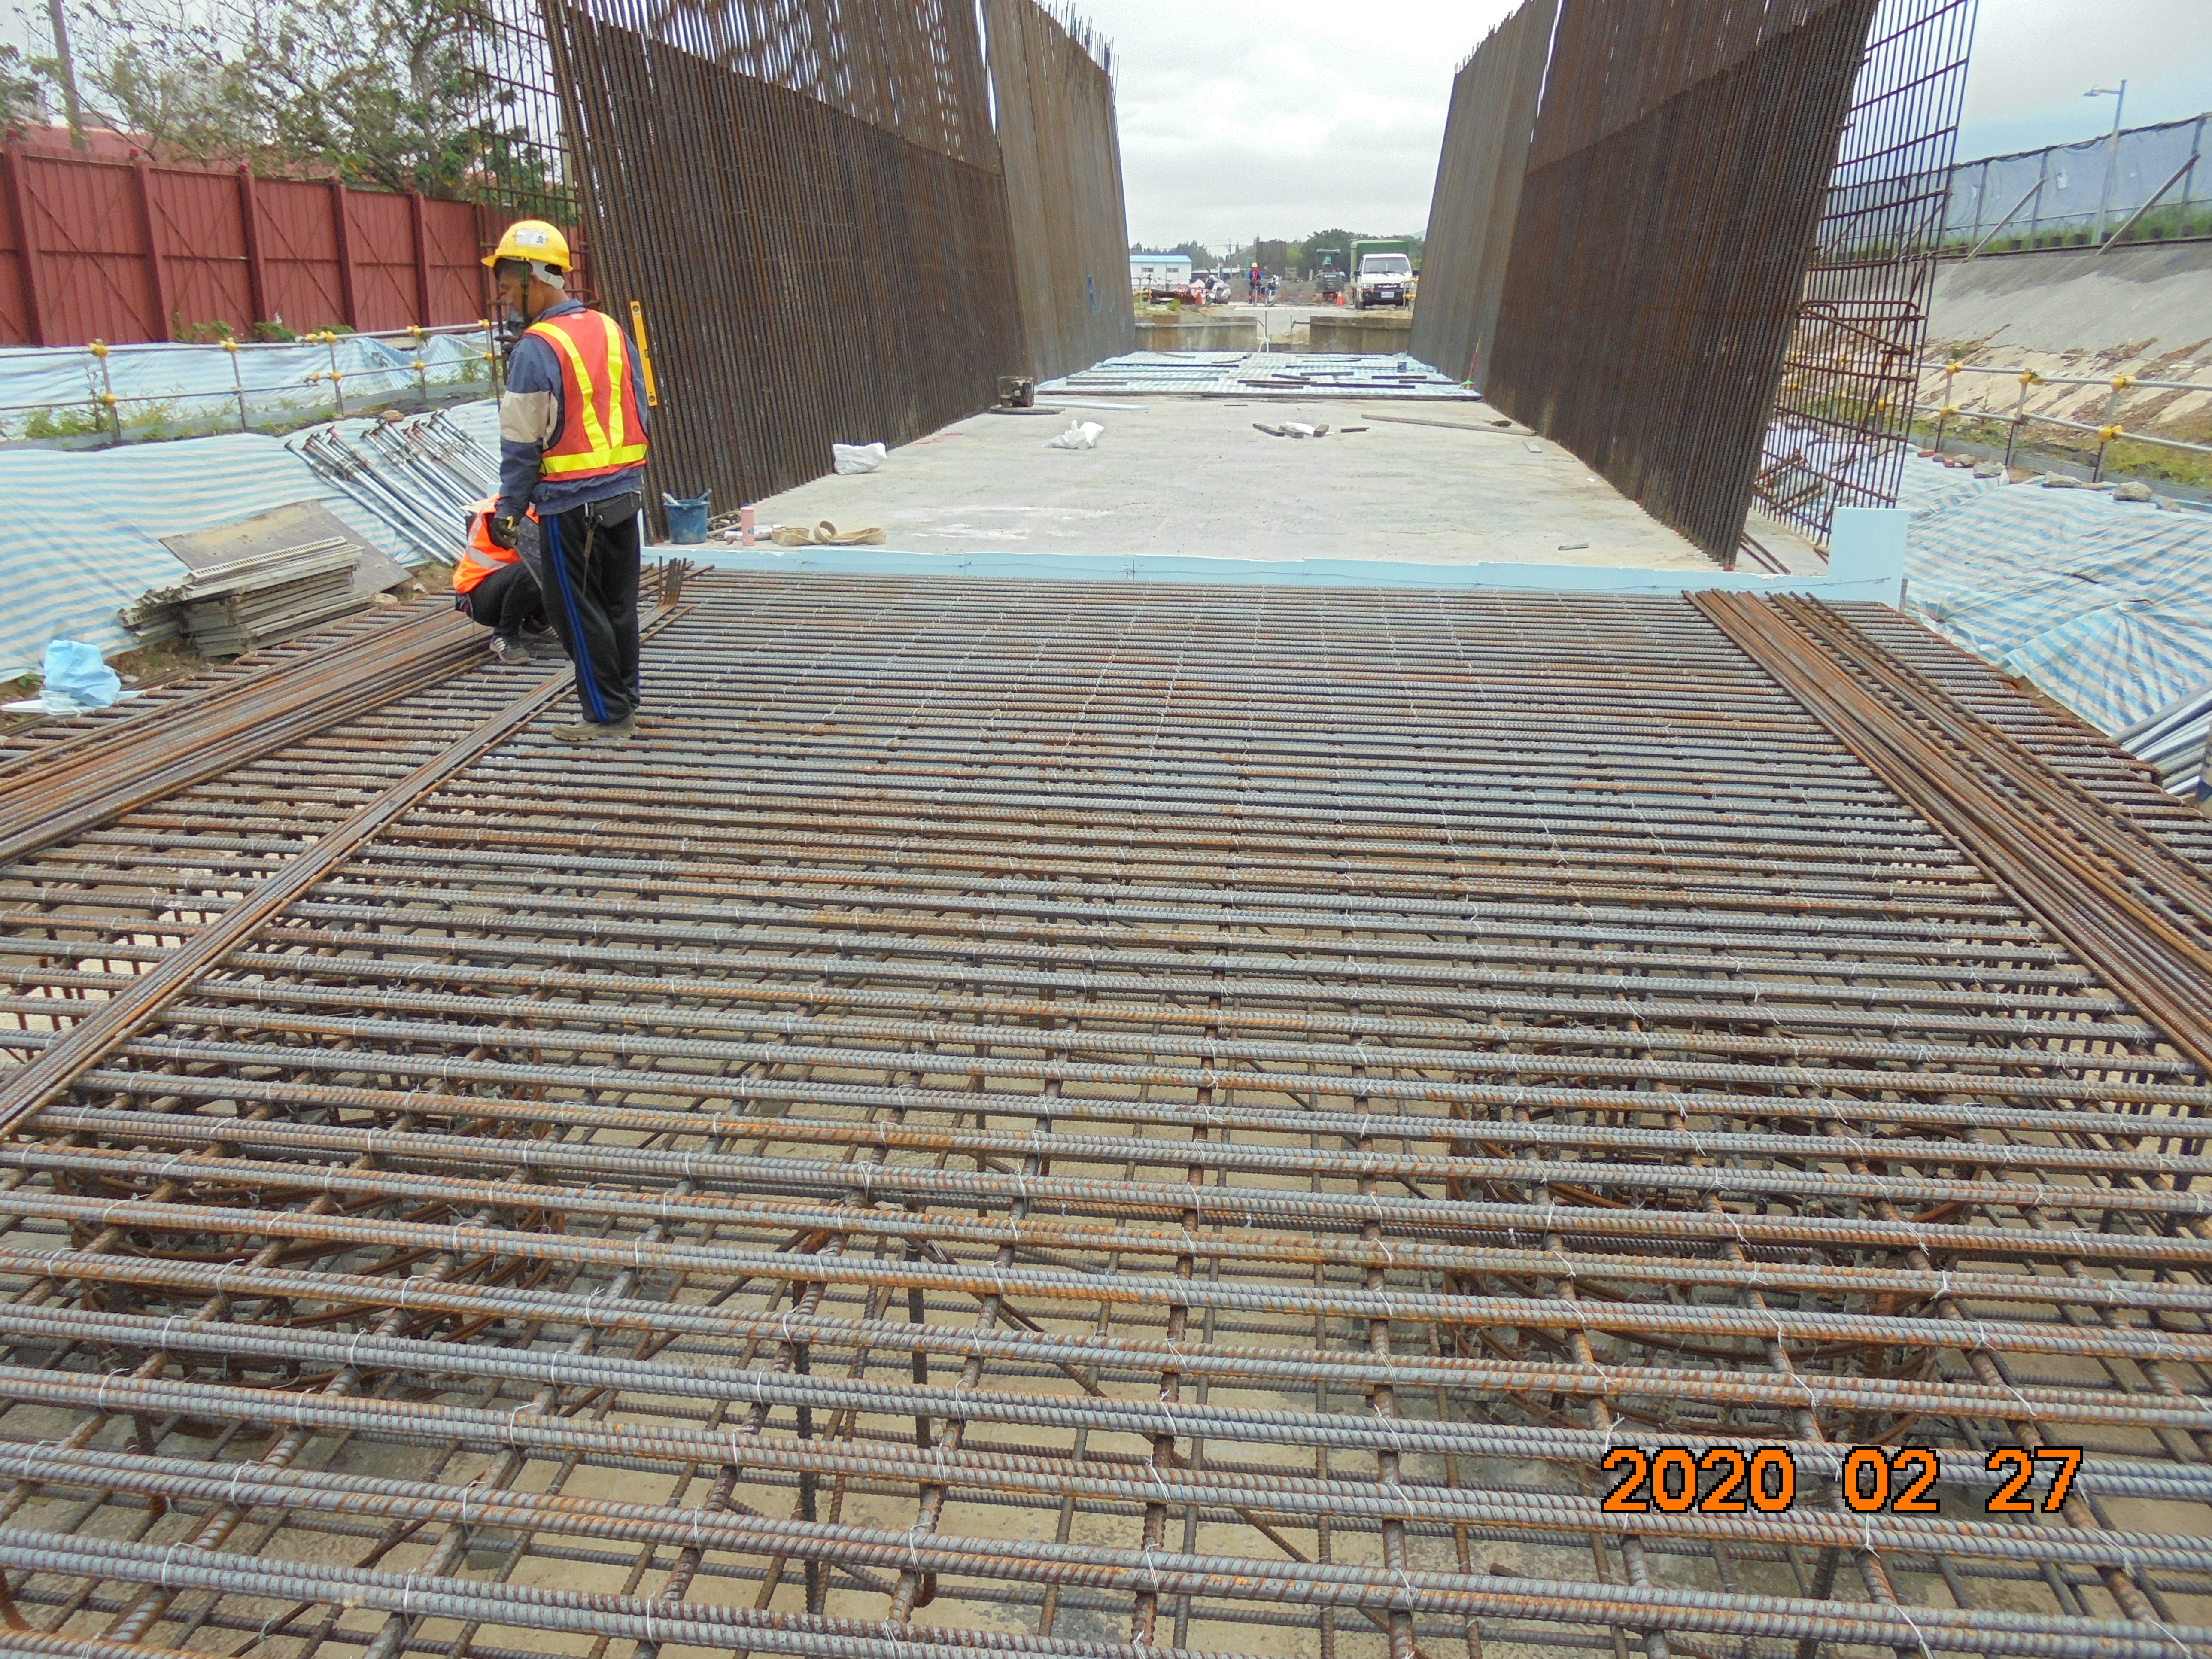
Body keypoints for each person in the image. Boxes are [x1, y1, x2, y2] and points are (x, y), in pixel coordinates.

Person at [482, 219, 651, 745]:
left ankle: (606, 717)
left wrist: (510, 508)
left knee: (578, 612)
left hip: (570, 506)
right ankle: (624, 698)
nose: (507, 299)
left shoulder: (535, 349)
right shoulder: (608, 328)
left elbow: (522, 441)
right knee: (619, 605)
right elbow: (640, 404)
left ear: (534, 276)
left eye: (509, 287)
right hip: (624, 492)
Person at [452, 495, 549, 665]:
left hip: (514, 588)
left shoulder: (551, 505)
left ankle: (536, 623)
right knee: (538, 570)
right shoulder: (512, 511)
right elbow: (544, 561)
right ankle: (505, 636)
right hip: (480, 595)